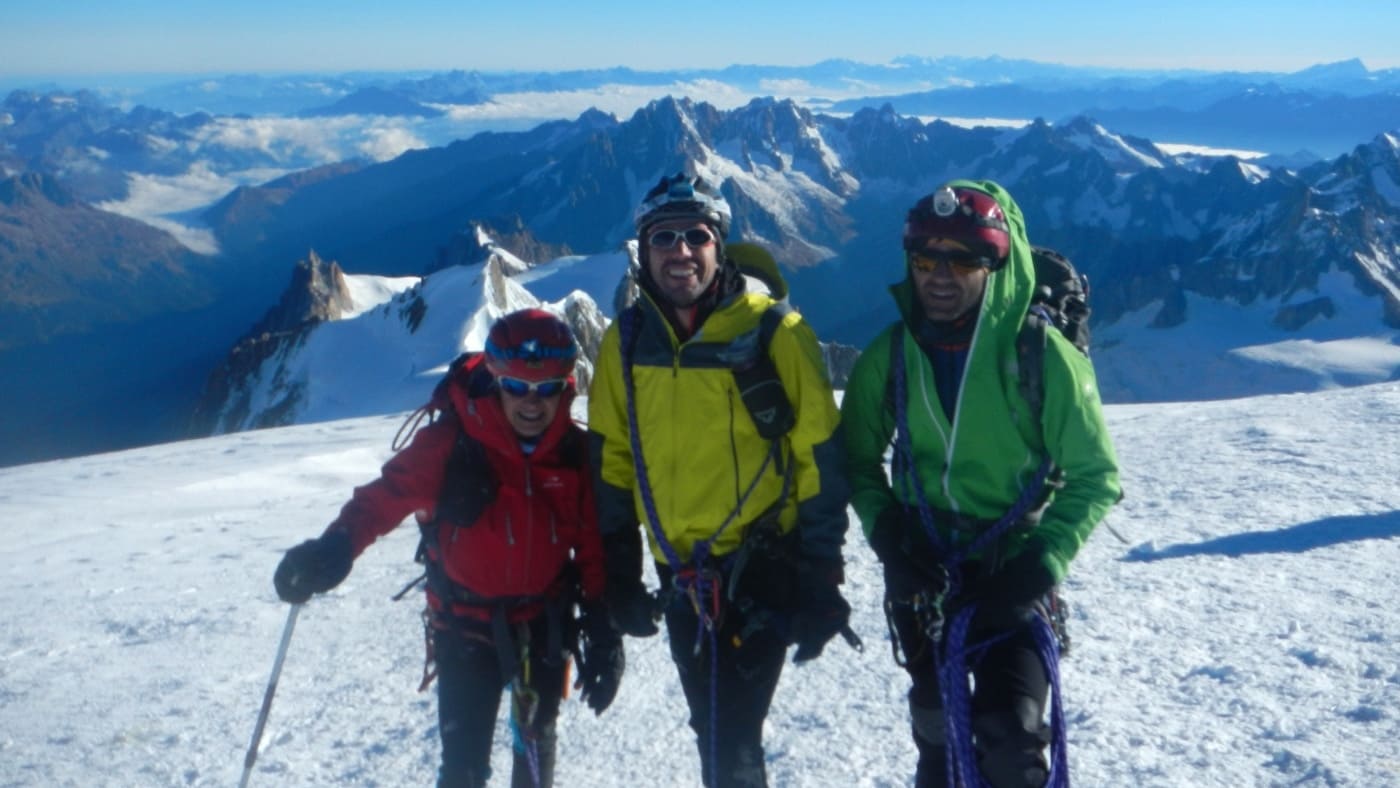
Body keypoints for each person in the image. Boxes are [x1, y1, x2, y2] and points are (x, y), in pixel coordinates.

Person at [841, 180, 1121, 788]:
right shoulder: (888, 356)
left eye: (965, 258)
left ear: (996, 264)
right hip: (924, 574)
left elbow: (1096, 476)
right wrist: (888, 533)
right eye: (926, 259)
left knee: (1013, 738)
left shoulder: (1042, 357)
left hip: (1013, 570)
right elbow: (855, 459)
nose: (942, 275)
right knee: (937, 735)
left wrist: (1041, 566)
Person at [272, 309, 623, 788]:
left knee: (536, 760)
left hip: (544, 627)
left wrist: (603, 629)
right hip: (466, 630)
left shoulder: (574, 454)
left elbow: (590, 545)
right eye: (517, 386)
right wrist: (335, 549)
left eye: (547, 389)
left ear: (568, 386)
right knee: (463, 770)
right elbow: (383, 500)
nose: (532, 403)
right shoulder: (451, 443)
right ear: (496, 379)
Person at [587, 172, 853, 787]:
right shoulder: (623, 344)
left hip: (762, 569)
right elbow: (612, 461)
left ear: (720, 246)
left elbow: (820, 455)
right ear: (643, 249)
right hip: (678, 576)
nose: (680, 251)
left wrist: (820, 571)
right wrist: (622, 572)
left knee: (730, 739)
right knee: (714, 730)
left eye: (696, 236)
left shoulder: (773, 333)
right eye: (664, 238)